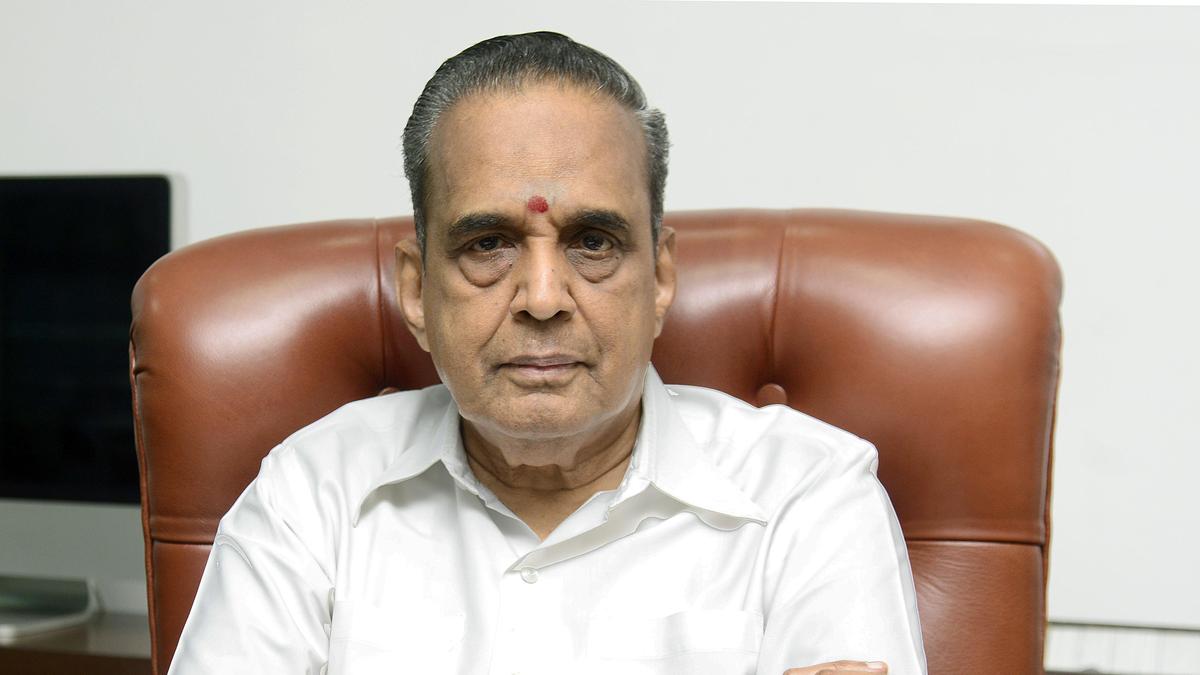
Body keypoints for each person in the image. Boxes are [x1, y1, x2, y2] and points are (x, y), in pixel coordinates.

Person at [168, 32, 927, 675]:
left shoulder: (808, 496)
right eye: (487, 244)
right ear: (416, 291)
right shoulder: (313, 495)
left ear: (661, 279)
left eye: (593, 241)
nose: (541, 297)